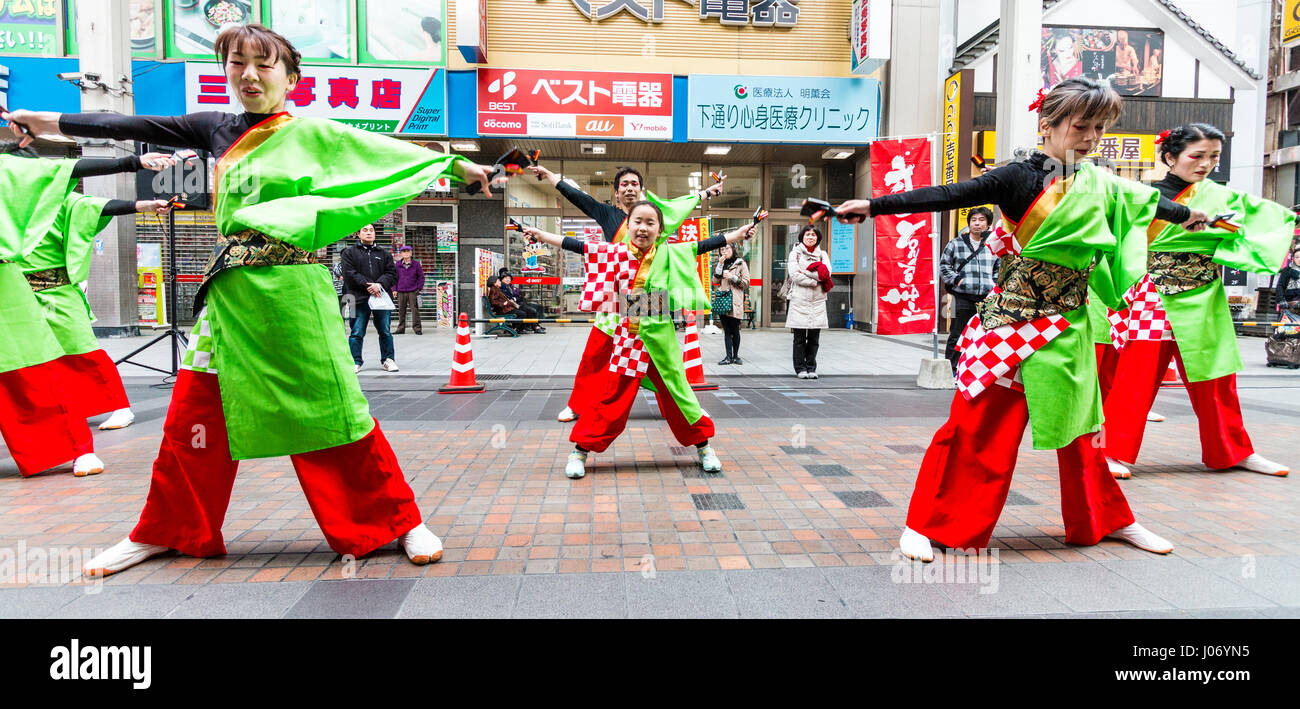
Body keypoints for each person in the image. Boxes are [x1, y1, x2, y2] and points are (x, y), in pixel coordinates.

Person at [4, 23, 500, 577]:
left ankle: (398, 521)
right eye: (237, 62)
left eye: (264, 65)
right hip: (229, 299)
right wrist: (45, 119)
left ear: (291, 77)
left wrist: (457, 164)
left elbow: (385, 154)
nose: (249, 74)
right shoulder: (214, 127)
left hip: (295, 294)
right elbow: (127, 121)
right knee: (194, 419)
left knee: (331, 412)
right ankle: (165, 529)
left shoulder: (316, 133)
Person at [833, 78, 1212, 562]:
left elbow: (1148, 201)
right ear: (1047, 125)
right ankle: (926, 526)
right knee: (977, 428)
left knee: (1083, 433)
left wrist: (1188, 215)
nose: (1091, 136)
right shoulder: (1018, 177)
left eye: (1099, 127)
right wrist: (876, 205)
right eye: (1081, 126)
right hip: (1013, 324)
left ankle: (1110, 519)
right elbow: (952, 192)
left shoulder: (1100, 182)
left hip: (1070, 325)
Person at [1101, 123, 1294, 478]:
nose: (1206, 164)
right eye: (1198, 156)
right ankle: (1113, 451)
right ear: (1171, 157)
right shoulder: (1141, 195)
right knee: (1136, 377)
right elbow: (1117, 240)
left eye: (1214, 157)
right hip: (1152, 294)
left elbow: (1262, 228)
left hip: (1204, 292)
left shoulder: (1222, 198)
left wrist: (1226, 237)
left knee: (1216, 376)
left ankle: (1234, 450)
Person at [522, 203, 756, 479]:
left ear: (659, 229)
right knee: (610, 396)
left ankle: (704, 447)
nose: (643, 228)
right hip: (628, 337)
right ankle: (579, 450)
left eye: (650, 223)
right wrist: (541, 235)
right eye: (638, 221)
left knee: (678, 394)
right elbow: (578, 245)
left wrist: (737, 235)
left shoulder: (669, 252)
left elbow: (703, 245)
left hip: (660, 336)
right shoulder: (615, 252)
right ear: (629, 225)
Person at [0, 146, 173, 477]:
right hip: (19, 289)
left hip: (48, 289)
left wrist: (132, 166)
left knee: (53, 365)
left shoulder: (59, 201)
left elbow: (96, 203)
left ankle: (95, 429)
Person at [529, 163, 724, 423]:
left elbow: (682, 204)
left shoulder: (658, 215)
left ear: (642, 190)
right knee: (595, 355)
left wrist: (707, 193)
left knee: (665, 360)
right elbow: (579, 198)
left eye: (634, 184)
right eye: (624, 184)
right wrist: (552, 177)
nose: (630, 188)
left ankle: (687, 408)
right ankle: (578, 404)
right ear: (616, 192)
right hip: (617, 293)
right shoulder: (607, 214)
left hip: (650, 294)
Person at [939, 207, 1000, 373]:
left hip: (987, 298)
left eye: (981, 220)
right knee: (957, 333)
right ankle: (951, 369)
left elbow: (999, 267)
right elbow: (944, 265)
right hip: (963, 296)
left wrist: (994, 283)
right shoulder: (956, 243)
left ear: (988, 224)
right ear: (969, 223)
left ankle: (977, 370)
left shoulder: (993, 244)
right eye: (974, 220)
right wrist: (957, 280)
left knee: (984, 334)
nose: (977, 223)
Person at [341, 224, 399, 372]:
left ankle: (388, 359)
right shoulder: (349, 253)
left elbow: (392, 274)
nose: (368, 233)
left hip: (381, 298)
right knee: (356, 332)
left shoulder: (384, 253)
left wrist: (379, 285)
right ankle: (355, 361)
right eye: (365, 230)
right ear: (358, 234)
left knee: (385, 331)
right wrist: (369, 286)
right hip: (358, 298)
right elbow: (349, 274)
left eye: (371, 230)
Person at [785, 225, 831, 379]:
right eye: (807, 234)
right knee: (799, 338)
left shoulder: (822, 255)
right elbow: (795, 275)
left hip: (818, 301)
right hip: (799, 300)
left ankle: (811, 367)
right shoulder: (795, 254)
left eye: (813, 235)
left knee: (814, 338)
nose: (810, 237)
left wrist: (806, 272)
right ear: (802, 237)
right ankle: (800, 369)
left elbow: (827, 274)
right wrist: (814, 280)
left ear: (818, 238)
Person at [713, 243, 750, 365]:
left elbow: (746, 283)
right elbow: (715, 281)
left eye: (727, 248)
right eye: (722, 249)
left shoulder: (741, 264)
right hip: (724, 301)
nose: (724, 251)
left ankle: (736, 356)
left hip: (735, 301)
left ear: (733, 249)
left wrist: (732, 277)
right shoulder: (722, 264)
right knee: (727, 330)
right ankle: (728, 357)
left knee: (735, 330)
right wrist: (719, 264)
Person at [392, 245, 424, 335]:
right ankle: (401, 329)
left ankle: (417, 328)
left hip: (413, 291)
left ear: (411, 253)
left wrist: (419, 288)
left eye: (407, 251)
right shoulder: (397, 265)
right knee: (401, 310)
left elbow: (421, 277)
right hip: (400, 291)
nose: (406, 253)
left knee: (415, 310)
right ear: (401, 254)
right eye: (404, 251)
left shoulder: (416, 264)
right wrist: (394, 289)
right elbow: (394, 278)